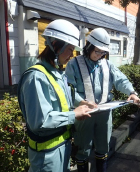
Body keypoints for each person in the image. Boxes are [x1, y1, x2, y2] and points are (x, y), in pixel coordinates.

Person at [17, 19, 92, 172]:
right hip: (46, 156)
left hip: (62, 146)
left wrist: (81, 102)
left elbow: (65, 96)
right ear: (56, 46)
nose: (72, 55)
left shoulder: (57, 73)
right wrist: (73, 115)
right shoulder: (36, 77)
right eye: (70, 49)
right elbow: (40, 121)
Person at [65, 28, 140, 172]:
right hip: (84, 113)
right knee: (83, 147)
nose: (99, 55)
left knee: (103, 146)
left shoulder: (107, 64)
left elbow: (120, 80)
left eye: (102, 52)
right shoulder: (74, 64)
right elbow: (68, 90)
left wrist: (132, 92)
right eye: (97, 51)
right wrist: (81, 102)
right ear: (89, 46)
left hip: (104, 113)